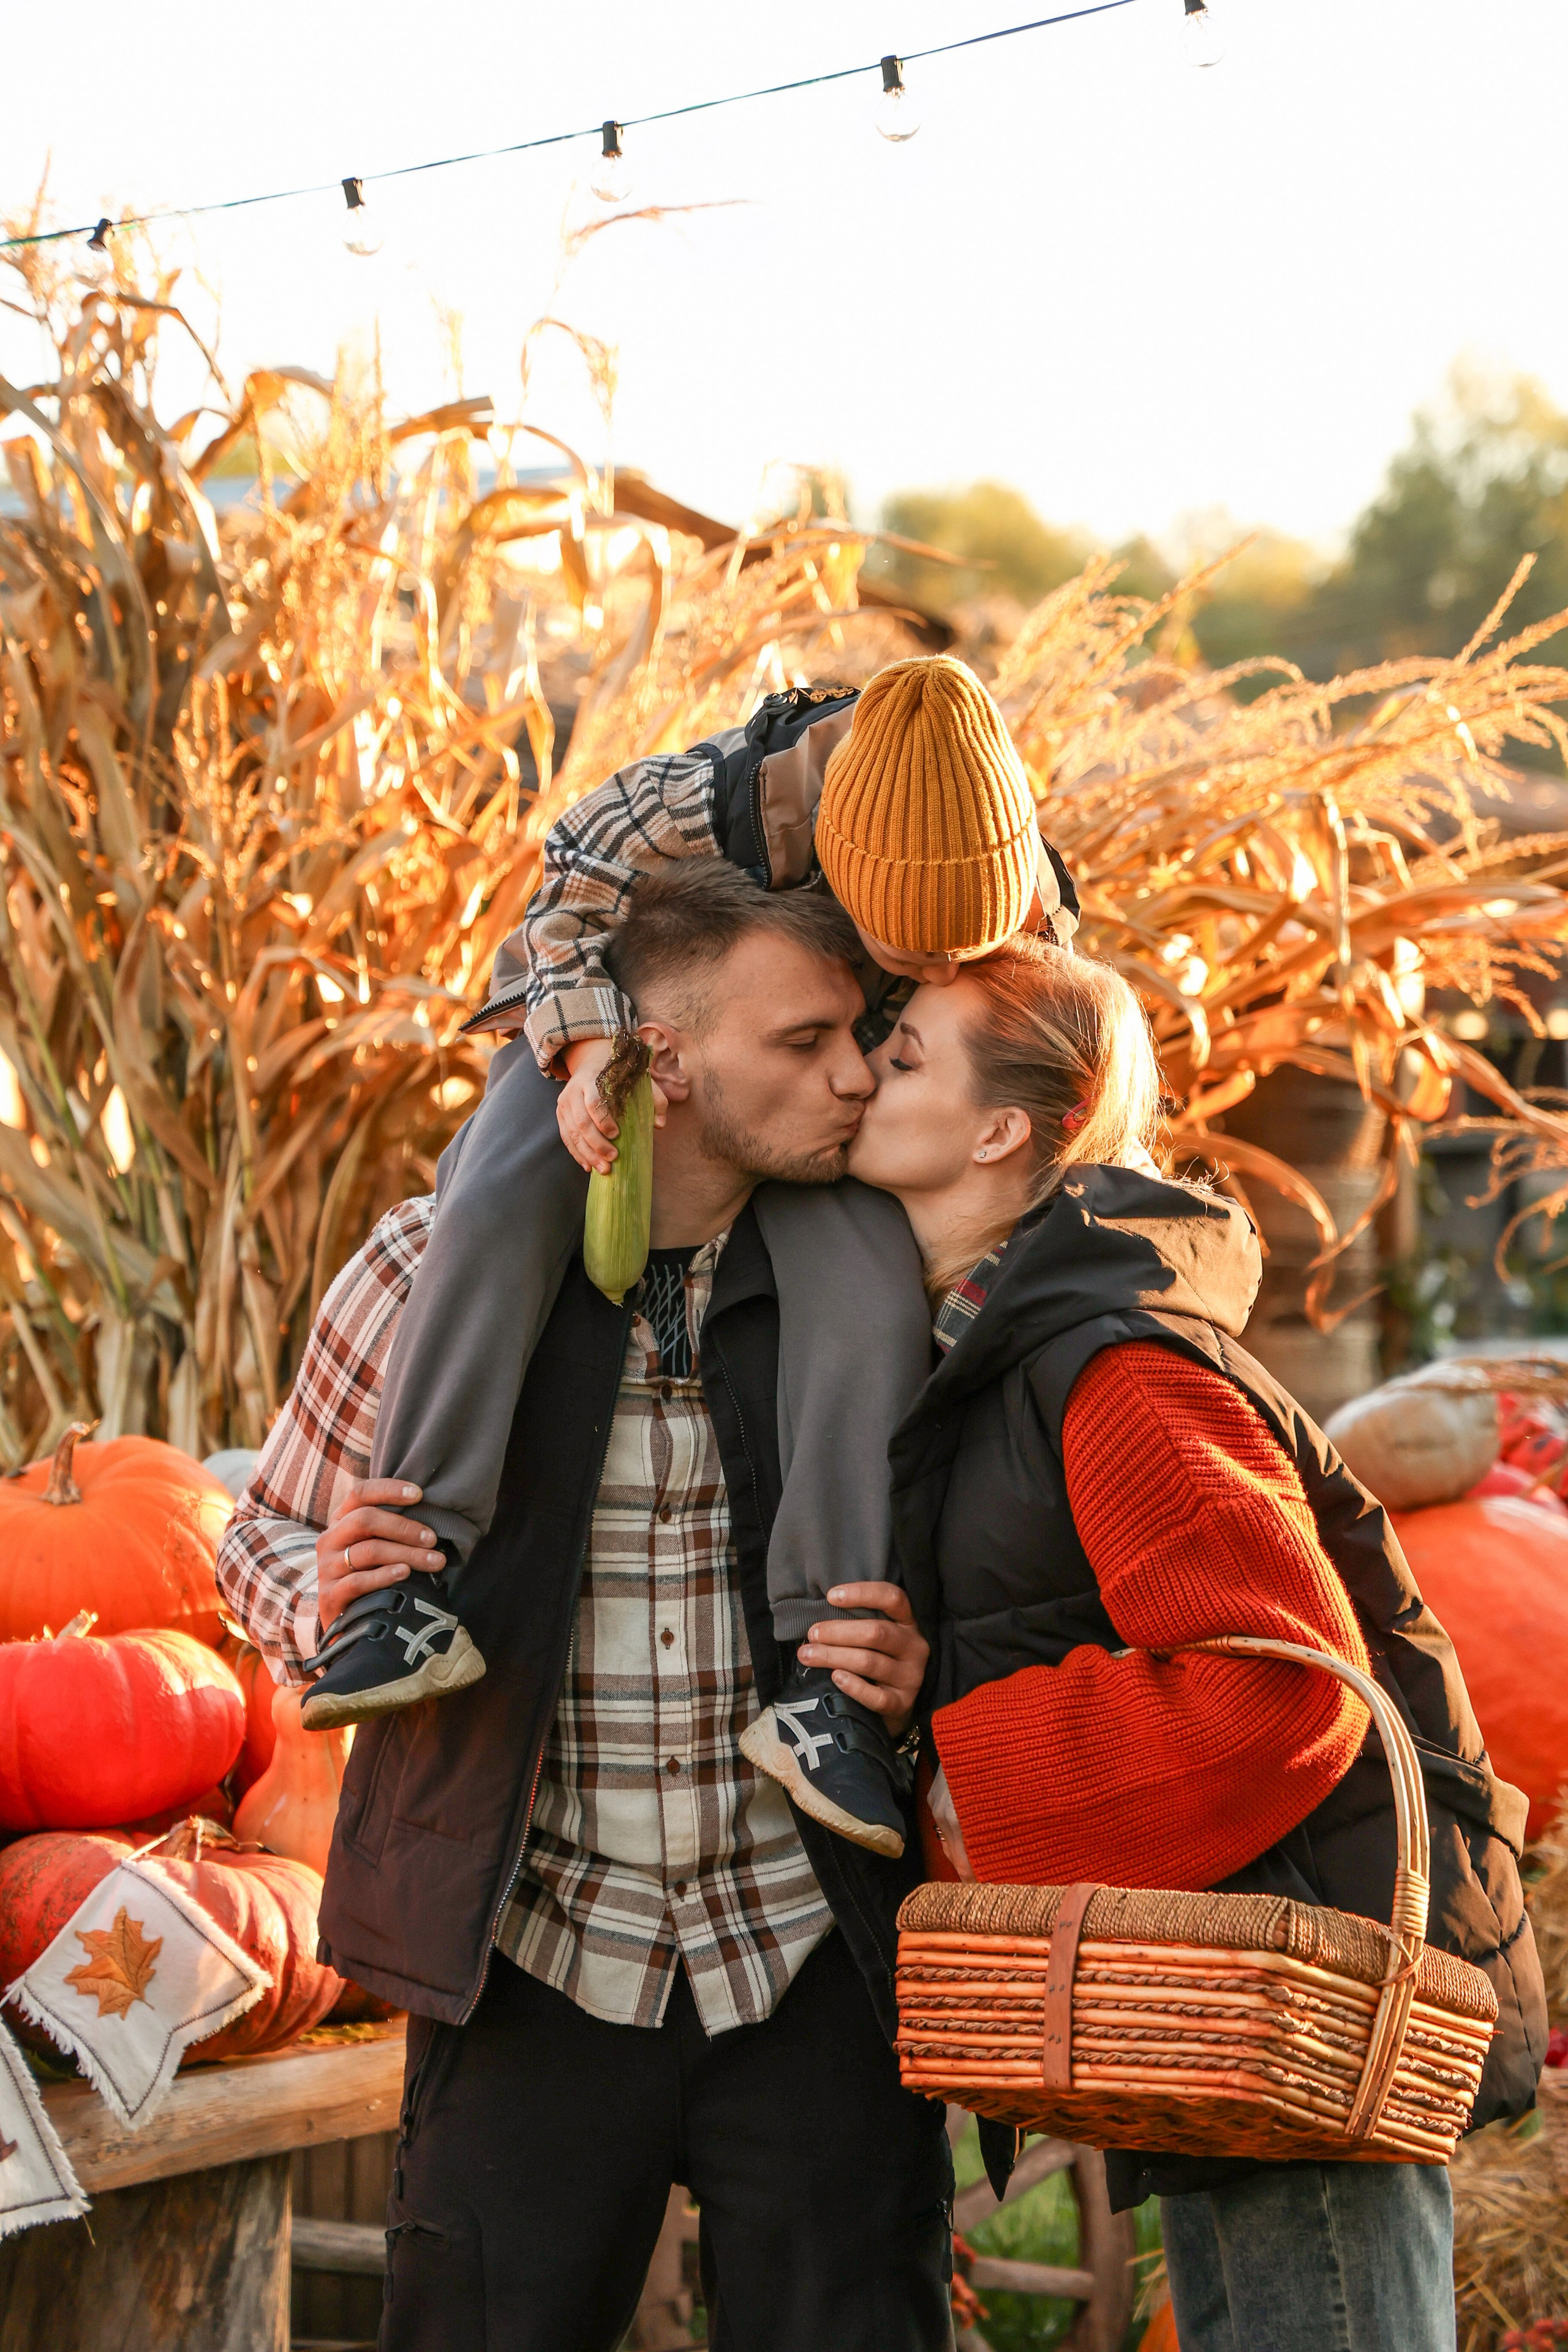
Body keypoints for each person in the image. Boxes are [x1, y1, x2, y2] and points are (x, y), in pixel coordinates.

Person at [217, 862, 954, 2352]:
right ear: (663, 1064)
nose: (854, 1075)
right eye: (802, 1043)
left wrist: (913, 1665)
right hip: (529, 1963)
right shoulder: (424, 1273)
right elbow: (258, 1538)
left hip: (811, 1961)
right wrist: (324, 1586)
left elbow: (985, 1576)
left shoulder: (886, 1289)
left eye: (857, 1036)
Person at [844, 934, 1546, 2352]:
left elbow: (1272, 1695)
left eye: (903, 1051)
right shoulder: (1010, 1355)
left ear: (999, 1129)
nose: (861, 1069)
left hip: (1299, 1976)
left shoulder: (1110, 1366)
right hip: (1230, 1980)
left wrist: (953, 1766)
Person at [301, 654, 1077, 1864]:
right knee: (498, 1192)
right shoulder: (687, 804)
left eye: (955, 951)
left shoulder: (1020, 883)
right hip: (604, 1021)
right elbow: (556, 914)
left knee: (865, 1274)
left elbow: (1041, 1030)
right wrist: (576, 1060)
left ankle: (829, 1692)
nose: (932, 973)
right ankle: (408, 1577)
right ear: (835, 851)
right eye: (907, 947)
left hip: (792, 1079)